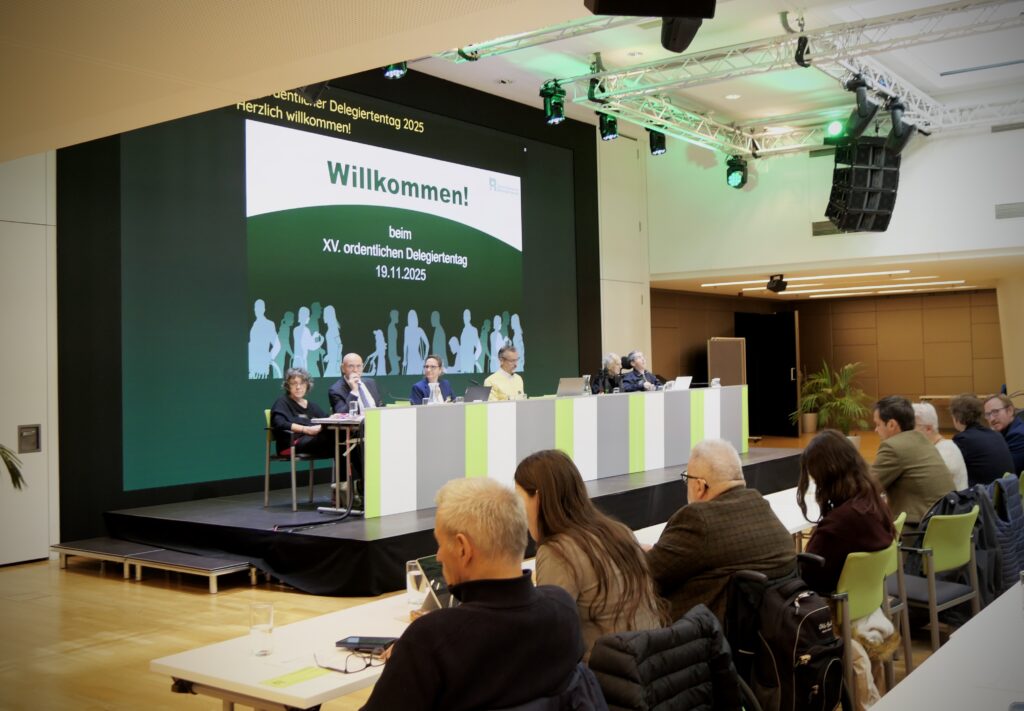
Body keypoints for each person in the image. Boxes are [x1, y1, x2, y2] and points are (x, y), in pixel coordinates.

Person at [361, 478, 585, 711]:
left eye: (439, 543)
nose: (438, 556)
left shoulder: (431, 640)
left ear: (462, 548)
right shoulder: (562, 610)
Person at [514, 449, 665, 660]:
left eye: (519, 500)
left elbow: (551, 638)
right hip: (651, 666)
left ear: (538, 499)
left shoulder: (556, 551)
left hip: (607, 678)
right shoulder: (620, 532)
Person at [645, 438, 796, 621]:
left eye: (687, 478)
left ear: (699, 486)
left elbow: (647, 574)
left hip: (701, 638)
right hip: (768, 633)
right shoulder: (760, 506)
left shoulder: (698, 519)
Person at [797, 430, 895, 595]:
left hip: (829, 604)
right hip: (863, 598)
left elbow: (809, 574)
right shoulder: (873, 503)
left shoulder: (842, 521)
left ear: (825, 475)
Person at [871, 396, 954, 527]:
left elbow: (865, 487)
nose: (876, 430)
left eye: (878, 424)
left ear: (892, 424)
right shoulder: (922, 440)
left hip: (918, 531)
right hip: (946, 525)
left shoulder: (893, 446)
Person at [269, 368, 337, 459]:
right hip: (291, 445)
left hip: (311, 441)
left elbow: (326, 419)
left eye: (302, 383)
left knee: (341, 438)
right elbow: (279, 423)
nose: (298, 387)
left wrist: (334, 418)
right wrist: (307, 430)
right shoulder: (282, 402)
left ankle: (347, 473)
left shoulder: (312, 406)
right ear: (287, 386)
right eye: (294, 383)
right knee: (335, 440)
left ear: (307, 385)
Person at [950, 394, 1015, 486]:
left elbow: (949, 470)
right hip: (1006, 494)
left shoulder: (963, 439)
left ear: (957, 418)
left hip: (984, 497)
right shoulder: (996, 435)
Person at [913, 402, 968, 490]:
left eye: (912, 428)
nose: (908, 434)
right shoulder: (933, 448)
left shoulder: (947, 451)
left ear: (928, 429)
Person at [983, 394, 1024, 476]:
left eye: (995, 412)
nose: (992, 419)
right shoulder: (1007, 431)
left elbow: (1006, 472)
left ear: (1010, 411)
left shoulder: (1018, 435)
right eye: (988, 414)